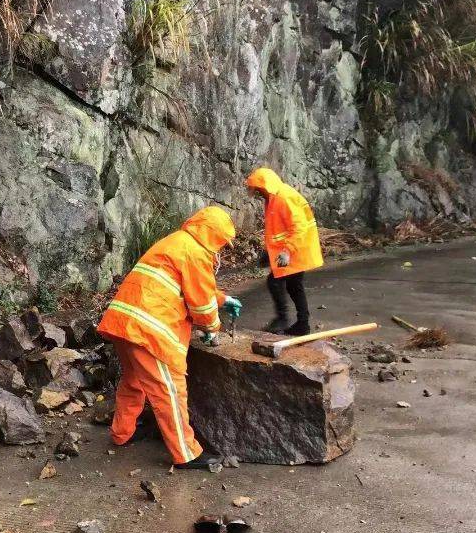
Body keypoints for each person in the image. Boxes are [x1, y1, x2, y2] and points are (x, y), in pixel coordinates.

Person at [97, 206, 242, 470]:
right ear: (214, 236)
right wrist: (212, 328)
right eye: (222, 243)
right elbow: (200, 305)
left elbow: (179, 285)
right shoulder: (197, 253)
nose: (221, 250)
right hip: (150, 329)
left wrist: (222, 298)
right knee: (170, 391)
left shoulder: (176, 241)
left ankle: (123, 433)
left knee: (133, 381)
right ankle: (186, 453)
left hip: (123, 321)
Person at [245, 167, 323, 336]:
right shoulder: (275, 197)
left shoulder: (283, 198)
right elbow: (278, 230)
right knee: (293, 286)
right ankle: (302, 324)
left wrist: (287, 251)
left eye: (258, 190)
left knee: (278, 283)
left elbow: (299, 228)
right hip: (293, 248)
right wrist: (270, 253)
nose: (258, 194)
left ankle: (285, 320)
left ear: (265, 187)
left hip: (296, 248)